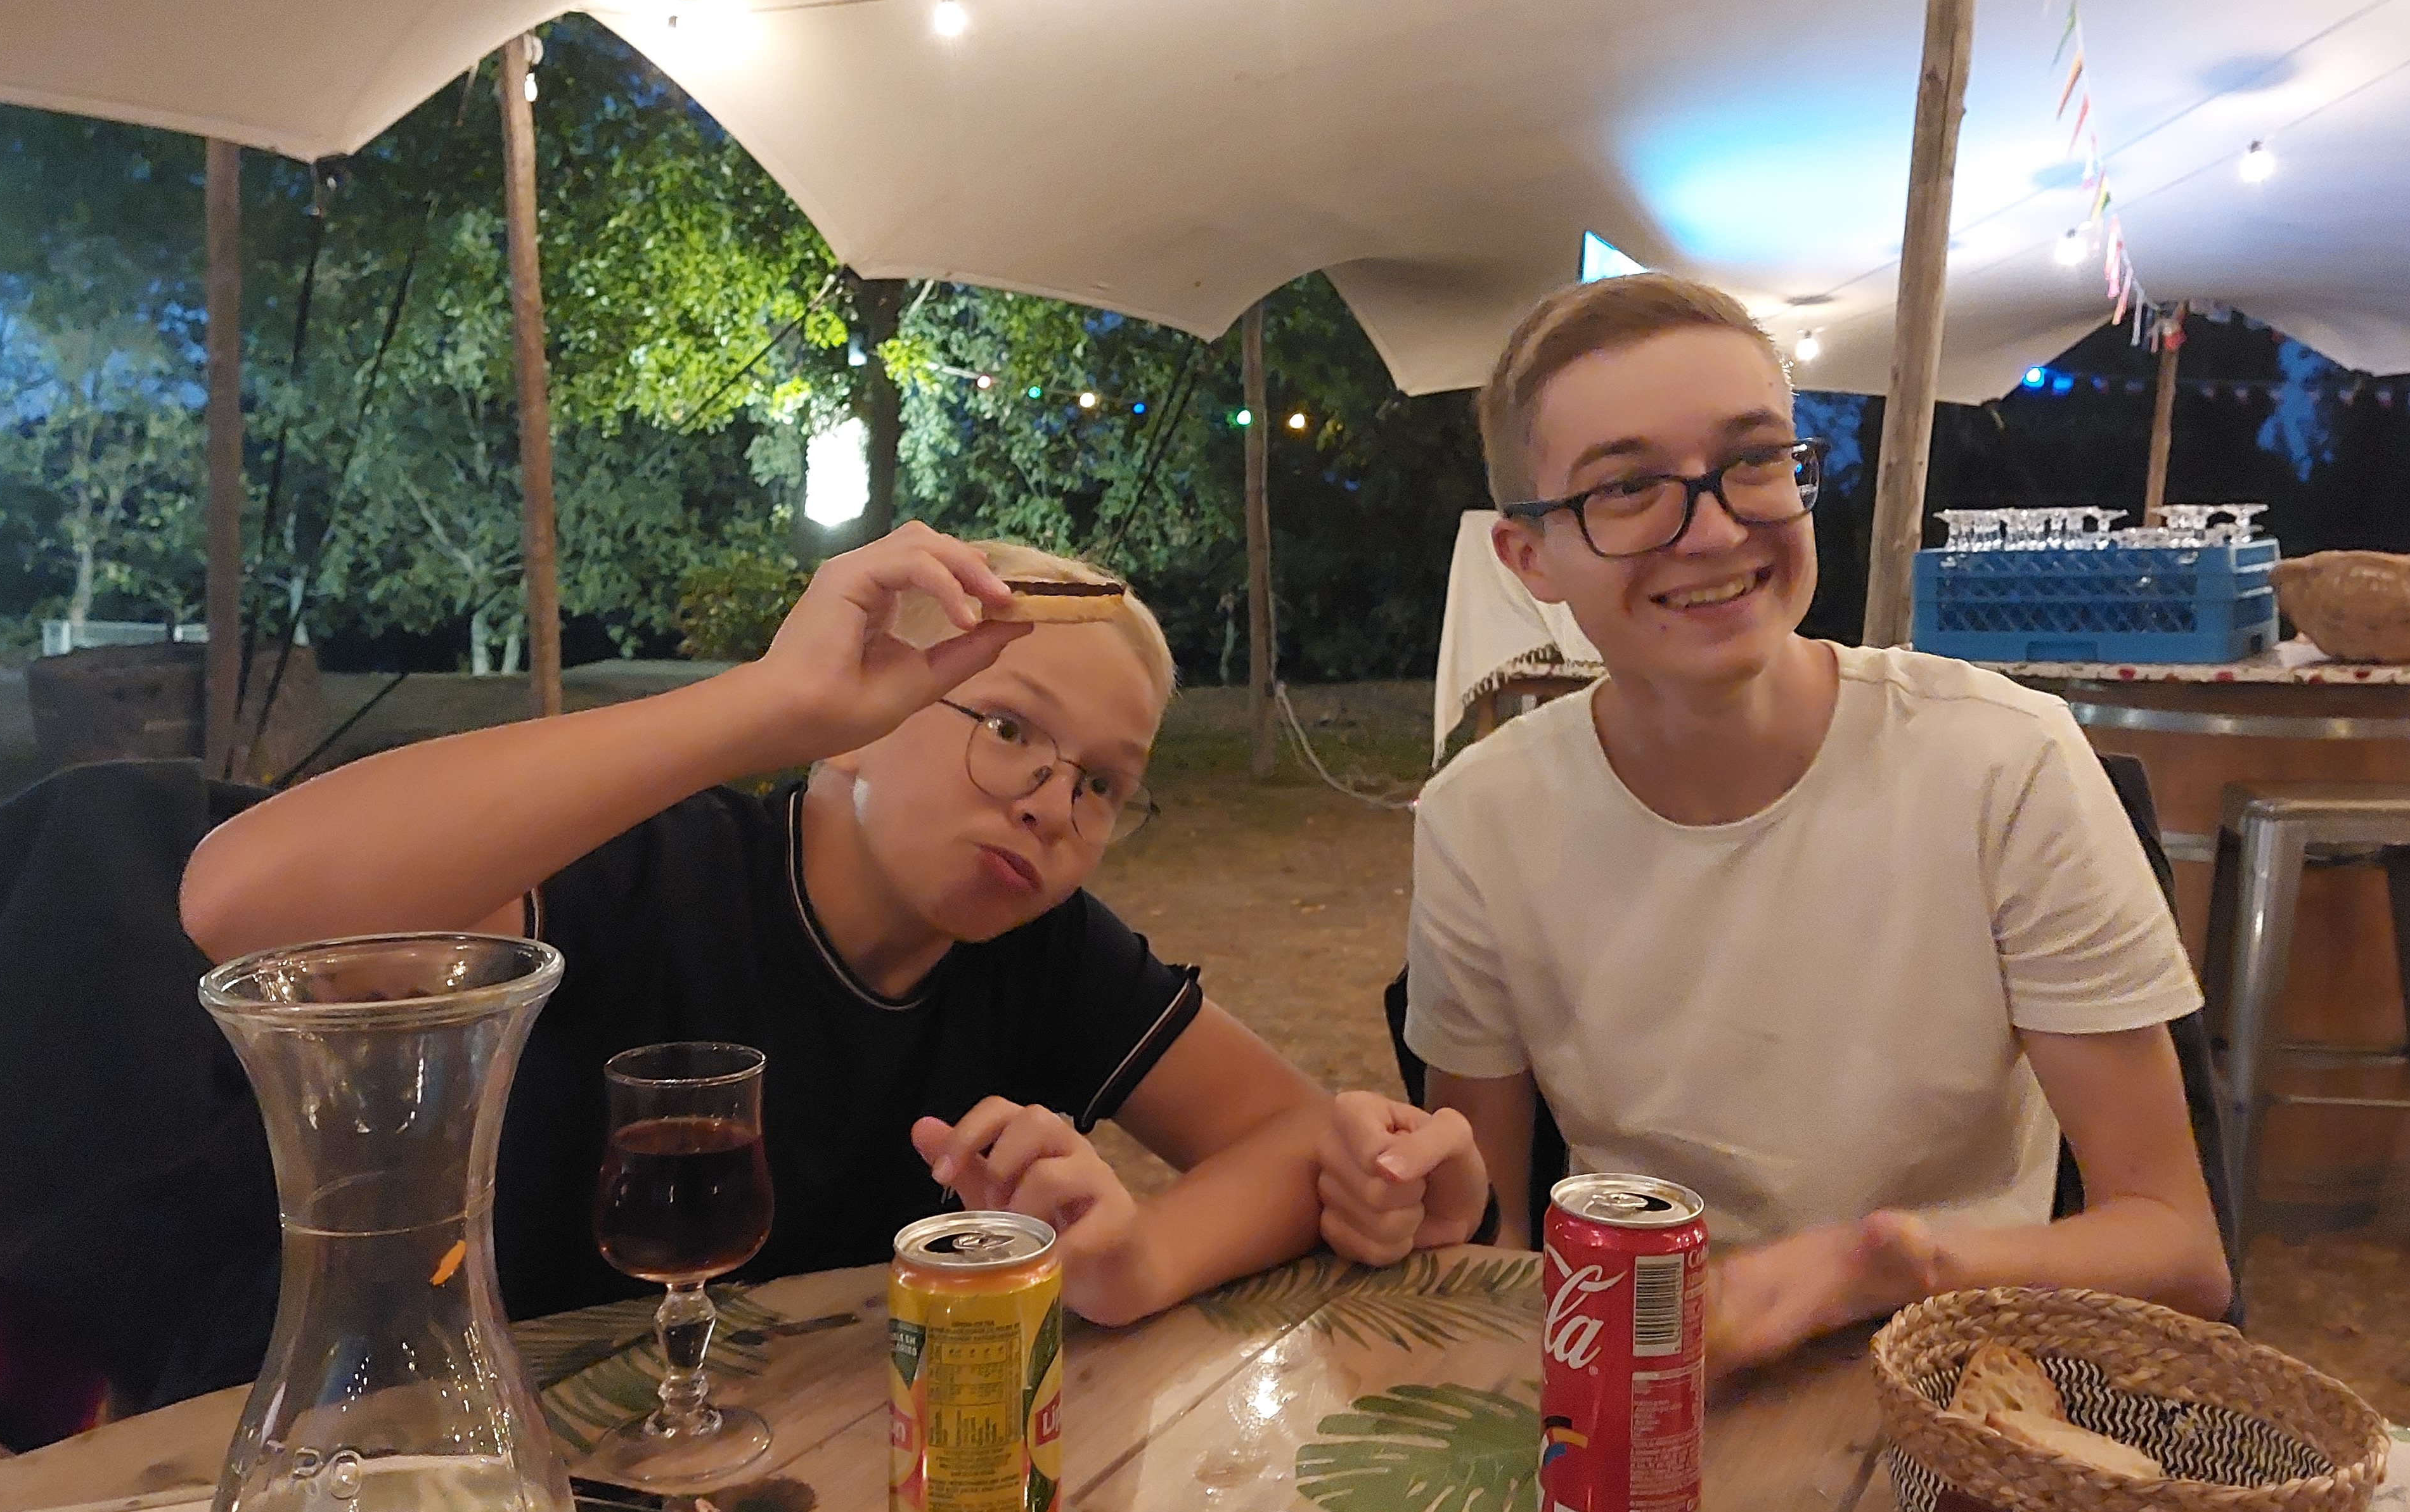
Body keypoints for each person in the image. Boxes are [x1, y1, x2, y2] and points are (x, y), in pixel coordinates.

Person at [181, 524, 1481, 1324]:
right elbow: (244, 906)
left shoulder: (1039, 949)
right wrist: (765, 706)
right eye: (1009, 729)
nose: (1051, 803)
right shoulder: (652, 869)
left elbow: (1295, 1136)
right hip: (498, 1464)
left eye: (1101, 785)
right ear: (858, 720)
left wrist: (1135, 1261)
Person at [1338, 272, 2231, 1378]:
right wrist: (1409, 1193)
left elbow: (2178, 1249)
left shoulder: (2004, 762)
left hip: (1951, 1378)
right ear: (1530, 561)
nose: (1715, 530)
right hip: (1650, 1375)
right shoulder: (1483, 816)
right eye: (1628, 487)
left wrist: (1876, 1269)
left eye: (1754, 460)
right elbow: (1493, 1227)